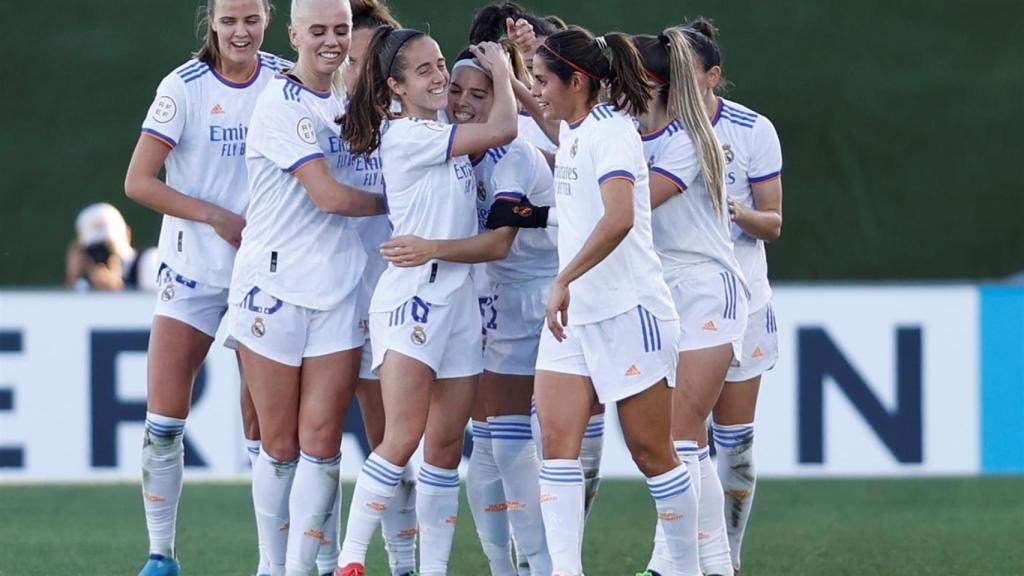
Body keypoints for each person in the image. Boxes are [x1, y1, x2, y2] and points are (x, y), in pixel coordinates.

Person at [334, 27, 518, 576]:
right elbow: (505, 125)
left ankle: (432, 569)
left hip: (458, 296)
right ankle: (350, 558)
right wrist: (505, 74)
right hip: (413, 296)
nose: (440, 77)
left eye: (440, 64)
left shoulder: (438, 129)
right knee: (403, 434)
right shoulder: (407, 136)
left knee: (443, 448)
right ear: (396, 85)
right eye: (425, 70)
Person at [518, 26, 695, 576]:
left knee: (652, 453)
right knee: (556, 442)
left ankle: (687, 567)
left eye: (543, 81)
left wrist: (563, 277)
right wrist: (516, 69)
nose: (537, 91)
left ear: (578, 81)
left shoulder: (612, 134)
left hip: (628, 311)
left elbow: (618, 218)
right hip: (575, 314)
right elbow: (550, 117)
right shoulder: (574, 127)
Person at [123, 1, 285, 574]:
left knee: (264, 431)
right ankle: (161, 556)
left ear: (268, 16)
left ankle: (276, 562)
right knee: (164, 422)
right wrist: (215, 216)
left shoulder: (285, 82)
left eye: (251, 18)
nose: (240, 31)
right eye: (229, 19)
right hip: (190, 272)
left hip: (262, 276)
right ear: (211, 22)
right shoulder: (183, 86)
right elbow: (138, 181)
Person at [379, 46, 554, 576]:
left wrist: (429, 247)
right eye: (456, 89)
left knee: (529, 445)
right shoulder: (445, 149)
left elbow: (499, 243)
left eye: (480, 94)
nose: (462, 102)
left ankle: (544, 565)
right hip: (479, 300)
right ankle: (508, 567)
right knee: (486, 444)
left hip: (536, 299)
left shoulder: (513, 153)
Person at [225, 0, 387, 574]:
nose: (331, 42)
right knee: (280, 443)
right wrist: (406, 204)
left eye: (341, 30)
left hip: (340, 290)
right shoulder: (281, 103)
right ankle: (272, 566)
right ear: (292, 34)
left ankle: (299, 570)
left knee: (322, 440)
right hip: (273, 288)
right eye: (317, 30)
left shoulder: (354, 101)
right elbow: (331, 196)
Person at [631, 26, 750, 576]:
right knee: (683, 439)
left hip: (707, 287)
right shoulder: (630, 132)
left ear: (649, 83)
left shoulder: (688, 139)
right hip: (664, 291)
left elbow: (632, 205)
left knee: (680, 433)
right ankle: (713, 566)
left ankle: (667, 565)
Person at [688, 18, 784, 576]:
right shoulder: (651, 128)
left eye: (684, 71)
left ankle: (729, 557)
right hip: (678, 306)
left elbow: (773, 222)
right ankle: (689, 558)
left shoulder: (752, 130)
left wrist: (738, 212)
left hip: (743, 300)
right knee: (682, 445)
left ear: (713, 75)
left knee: (736, 447)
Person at [65, 203, 159, 292]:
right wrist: (73, 278)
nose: (102, 255)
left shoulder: (149, 262)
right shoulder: (85, 282)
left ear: (127, 234)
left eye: (109, 246)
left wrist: (119, 289)